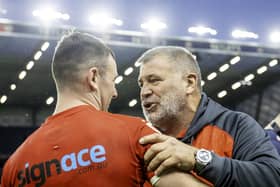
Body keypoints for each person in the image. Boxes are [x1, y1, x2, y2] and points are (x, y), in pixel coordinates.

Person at [1, 32, 160, 187]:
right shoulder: (137, 134)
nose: (115, 92)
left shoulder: (13, 167)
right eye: (113, 81)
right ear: (93, 77)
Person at [137, 46, 280, 187]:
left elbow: (272, 178)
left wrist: (198, 158)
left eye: (154, 80)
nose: (144, 92)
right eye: (141, 84)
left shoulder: (235, 125)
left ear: (189, 83)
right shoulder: (140, 139)